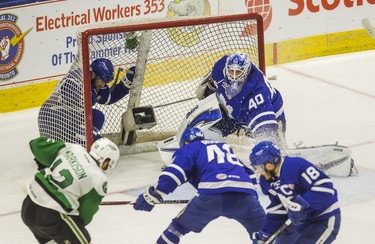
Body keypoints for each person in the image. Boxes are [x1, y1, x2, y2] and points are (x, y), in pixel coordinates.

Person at [133, 127, 266, 243]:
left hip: (211, 196)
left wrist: (154, 194)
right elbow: (250, 174)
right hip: (245, 196)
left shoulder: (189, 148)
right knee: (265, 235)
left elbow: (176, 173)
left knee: (177, 228)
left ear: (185, 142)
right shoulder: (224, 147)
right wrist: (249, 197)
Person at [21, 136, 120, 244]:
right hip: (52, 213)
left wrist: (43, 162)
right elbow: (85, 215)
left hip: (28, 206)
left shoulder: (73, 148)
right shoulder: (99, 178)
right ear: (107, 160)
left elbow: (35, 144)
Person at [249, 141, 341, 244]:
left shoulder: (295, 165)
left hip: (323, 218)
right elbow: (278, 209)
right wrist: (265, 234)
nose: (259, 172)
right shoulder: (265, 182)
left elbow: (325, 188)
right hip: (299, 223)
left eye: (260, 168)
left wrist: (304, 205)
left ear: (270, 163)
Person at [196, 51, 287, 148]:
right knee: (206, 132)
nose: (234, 76)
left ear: (246, 71)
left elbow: (267, 133)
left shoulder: (257, 94)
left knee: (276, 149)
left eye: (238, 72)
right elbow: (211, 86)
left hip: (270, 115)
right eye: (231, 71)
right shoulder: (220, 68)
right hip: (234, 115)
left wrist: (268, 148)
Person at [38, 57, 135, 144]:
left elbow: (109, 97)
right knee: (92, 115)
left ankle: (84, 140)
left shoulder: (97, 83)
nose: (102, 85)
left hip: (68, 119)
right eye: (101, 80)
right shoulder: (78, 77)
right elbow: (66, 90)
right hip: (53, 117)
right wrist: (88, 96)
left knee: (97, 115)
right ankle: (84, 141)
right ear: (93, 74)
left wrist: (125, 84)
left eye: (105, 82)